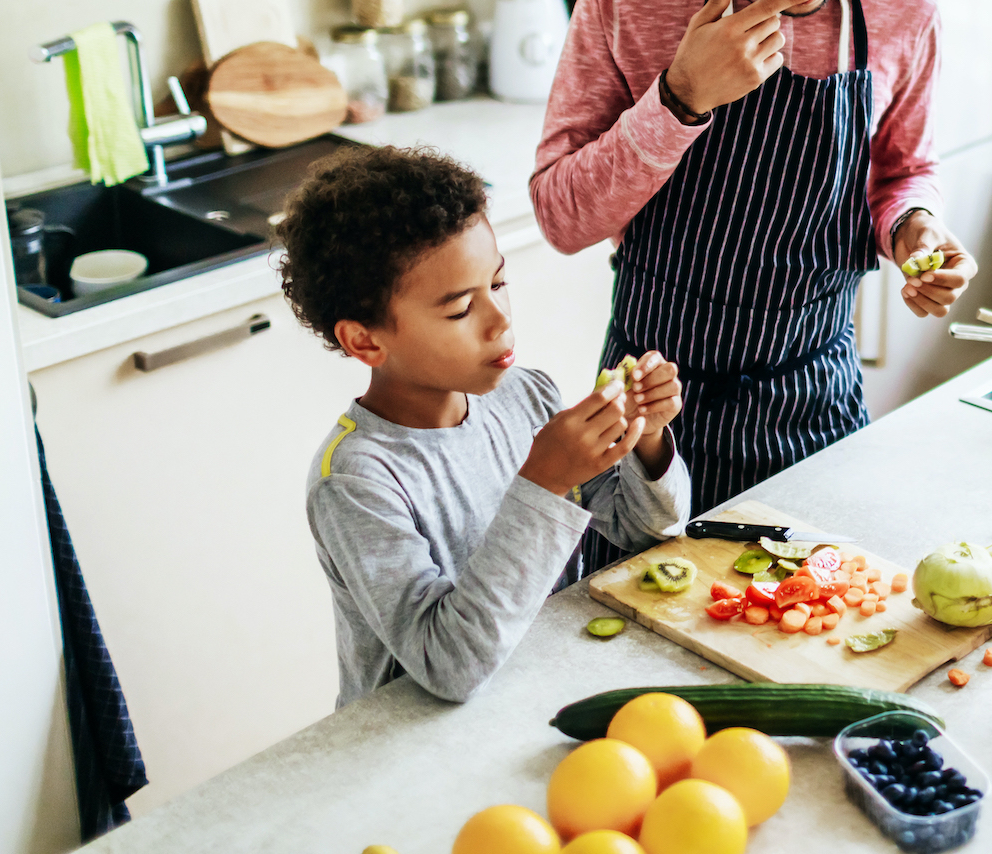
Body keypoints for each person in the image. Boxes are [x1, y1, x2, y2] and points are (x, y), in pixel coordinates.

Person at [531, 0, 976, 545]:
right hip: (650, 412)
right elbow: (560, 218)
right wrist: (681, 97)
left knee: (806, 639)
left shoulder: (904, 6)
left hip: (815, 404)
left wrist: (917, 229)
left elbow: (904, 170)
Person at [278, 146, 689, 707]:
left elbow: (645, 534)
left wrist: (647, 440)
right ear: (365, 341)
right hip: (409, 749)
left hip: (535, 700)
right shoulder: (356, 482)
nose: (501, 321)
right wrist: (542, 482)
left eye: (497, 285)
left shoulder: (527, 396)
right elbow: (448, 665)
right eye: (459, 310)